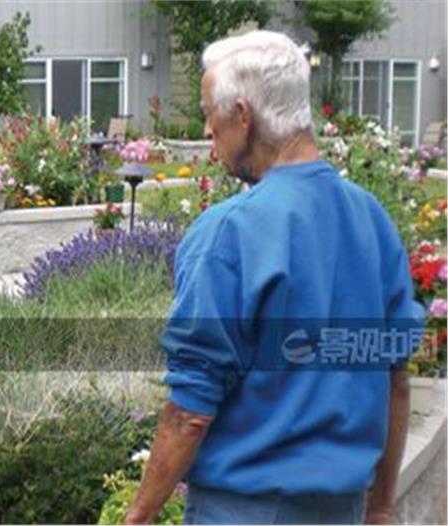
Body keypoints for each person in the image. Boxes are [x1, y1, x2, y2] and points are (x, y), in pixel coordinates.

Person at [125, 31, 422, 524]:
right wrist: (382, 508)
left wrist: (138, 516)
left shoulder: (228, 233)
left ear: (243, 115)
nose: (207, 130)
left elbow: (190, 410)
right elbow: (397, 382)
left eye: (210, 114)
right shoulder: (373, 221)